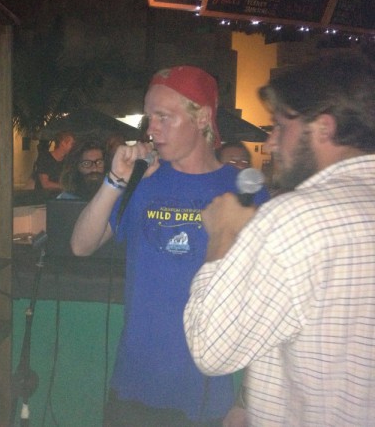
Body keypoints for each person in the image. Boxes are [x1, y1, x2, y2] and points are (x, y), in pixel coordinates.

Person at [71, 65, 269, 426]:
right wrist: (115, 179)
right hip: (133, 384)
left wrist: (245, 398)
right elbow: (81, 245)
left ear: (202, 118)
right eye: (150, 117)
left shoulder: (244, 191)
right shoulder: (143, 181)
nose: (152, 129)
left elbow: (266, 303)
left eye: (164, 117)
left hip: (205, 391)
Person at [184, 52, 375, 426]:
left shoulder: (295, 218)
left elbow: (211, 347)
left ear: (323, 128)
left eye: (279, 126)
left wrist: (222, 234)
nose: (270, 144)